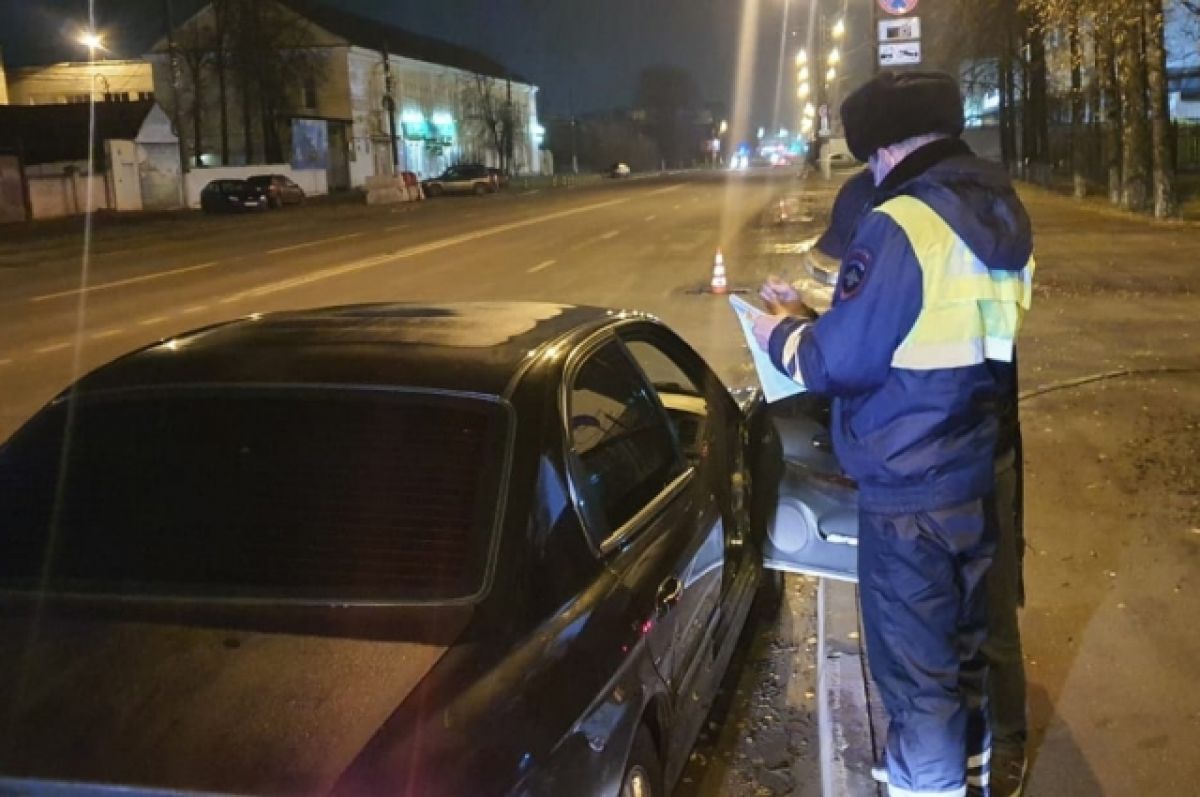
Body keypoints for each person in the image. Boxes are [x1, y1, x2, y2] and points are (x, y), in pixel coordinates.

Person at [751, 71, 1034, 797]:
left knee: (919, 682)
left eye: (871, 157)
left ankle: (926, 787)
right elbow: (930, 333)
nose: (872, 171)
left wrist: (784, 333)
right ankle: (962, 779)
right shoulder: (996, 209)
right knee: (964, 660)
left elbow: (836, 360)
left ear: (887, 147)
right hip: (973, 467)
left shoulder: (903, 220)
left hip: (907, 493)